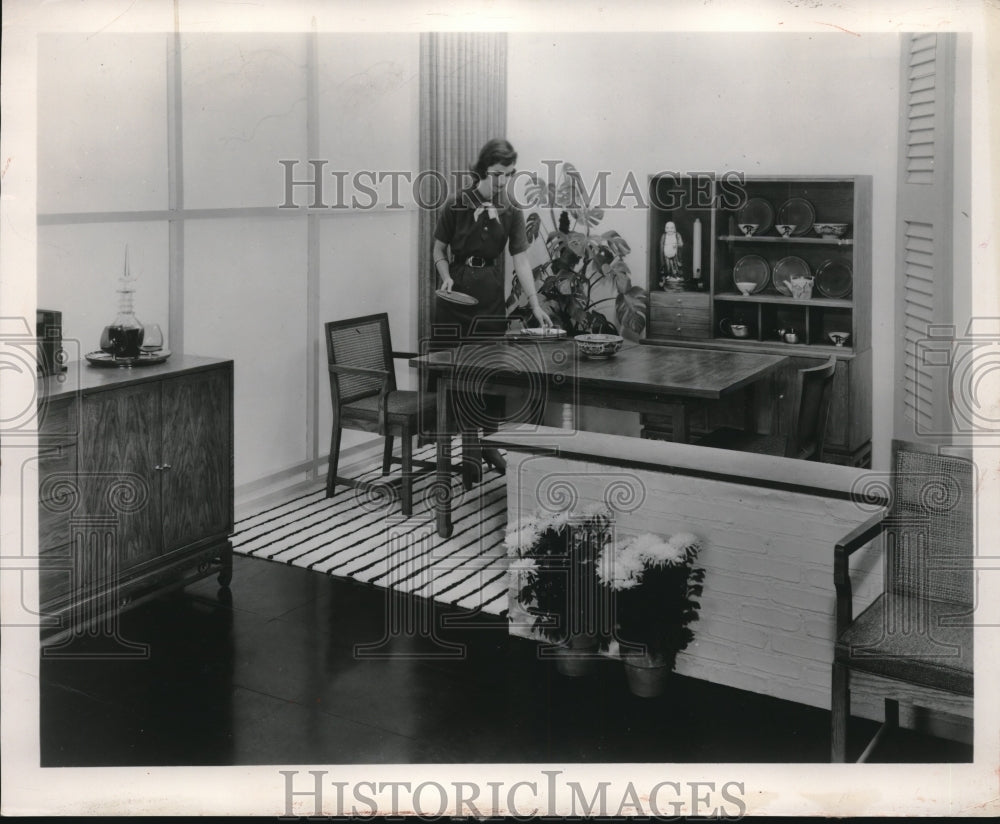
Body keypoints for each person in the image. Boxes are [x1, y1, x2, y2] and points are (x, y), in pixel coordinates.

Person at [431, 138, 551, 477]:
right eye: (498, 174)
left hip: (489, 300)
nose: (502, 182)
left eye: (509, 175)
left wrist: (534, 302)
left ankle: (485, 444)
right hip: (455, 298)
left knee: (488, 375)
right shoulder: (456, 203)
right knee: (456, 378)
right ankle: (472, 451)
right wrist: (445, 278)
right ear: (483, 170)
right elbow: (439, 250)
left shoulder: (512, 210)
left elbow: (521, 261)